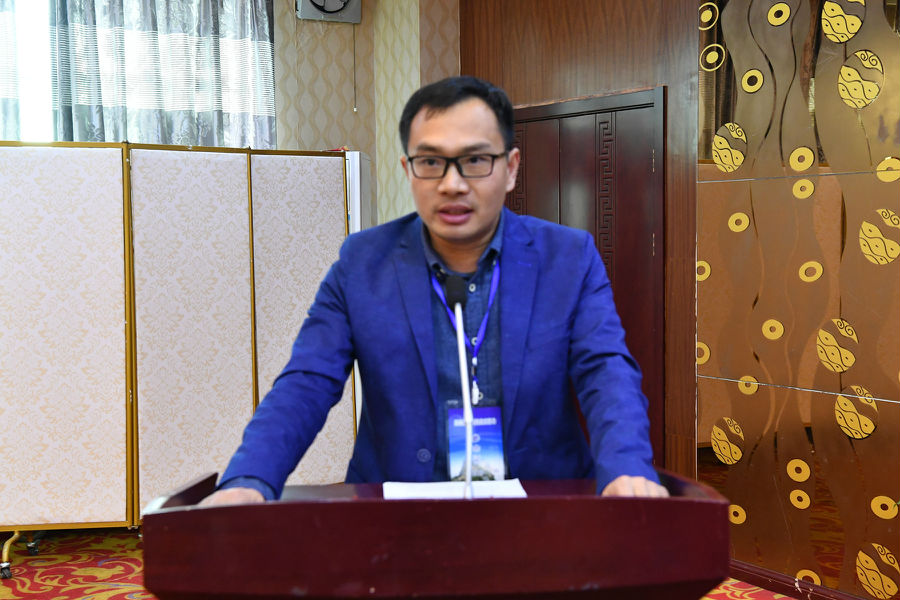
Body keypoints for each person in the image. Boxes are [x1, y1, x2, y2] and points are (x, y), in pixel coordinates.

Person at [202, 76, 667, 506]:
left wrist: (626, 469)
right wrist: (250, 480)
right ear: (408, 170)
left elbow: (606, 371)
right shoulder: (362, 263)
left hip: (539, 508)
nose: (452, 184)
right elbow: (307, 382)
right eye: (430, 162)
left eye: (475, 160)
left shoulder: (568, 258)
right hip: (399, 515)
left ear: (510, 168)